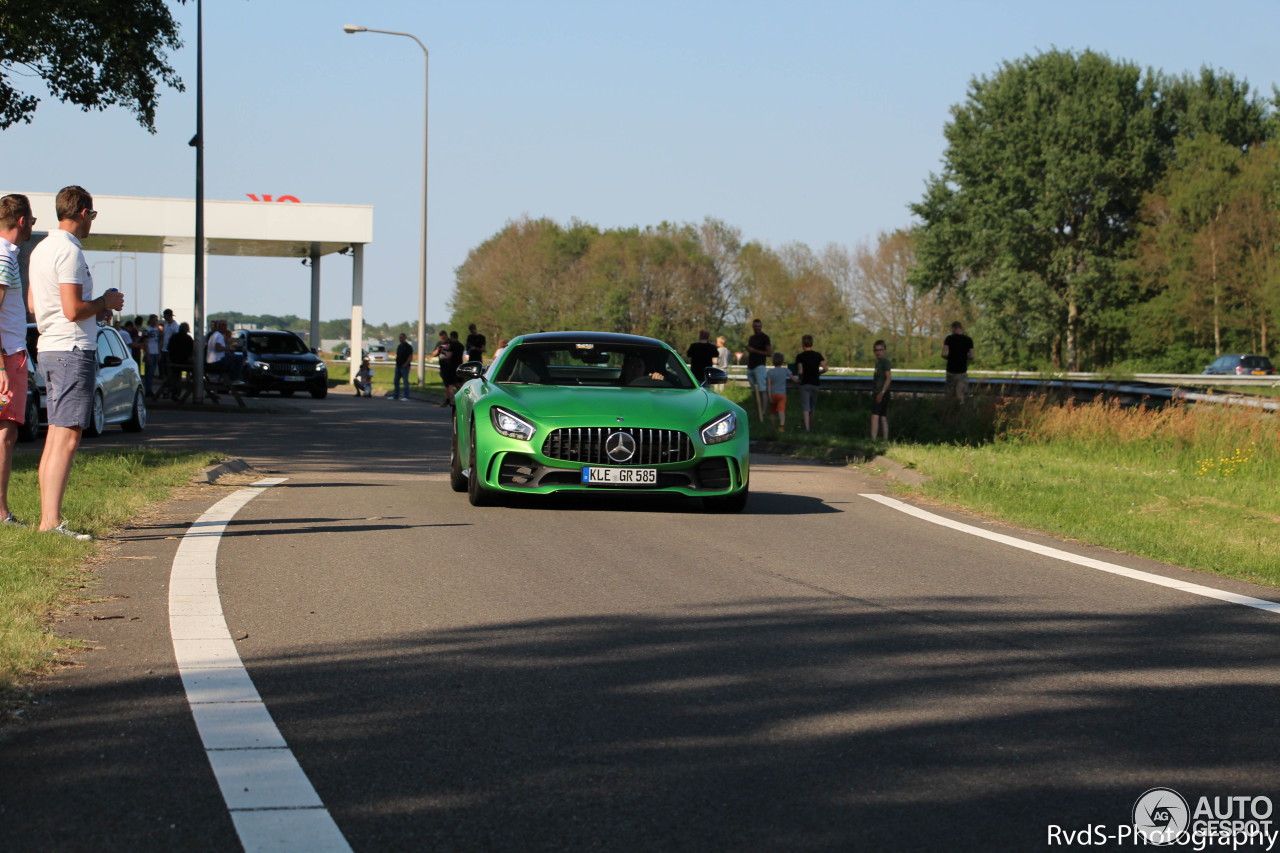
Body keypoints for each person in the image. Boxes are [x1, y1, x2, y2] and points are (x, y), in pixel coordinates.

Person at [28, 185, 126, 539]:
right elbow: (72, 310)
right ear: (83, 212)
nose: (91, 223)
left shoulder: (41, 249)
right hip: (71, 349)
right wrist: (104, 302)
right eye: (93, 216)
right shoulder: (69, 251)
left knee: (56, 434)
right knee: (67, 436)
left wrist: (91, 311)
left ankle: (47, 520)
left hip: (49, 346)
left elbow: (33, 304)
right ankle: (50, 522)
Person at [0, 194, 37, 527]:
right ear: (22, 221)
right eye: (32, 221)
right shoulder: (4, 256)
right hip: (8, 354)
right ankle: (0, 513)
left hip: (10, 352)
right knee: (5, 434)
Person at [794, 334, 827, 433]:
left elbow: (800, 371)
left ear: (803, 344)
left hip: (805, 383)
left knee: (805, 406)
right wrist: (818, 373)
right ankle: (811, 427)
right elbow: (825, 368)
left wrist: (800, 380)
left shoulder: (800, 357)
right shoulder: (818, 355)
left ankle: (807, 428)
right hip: (815, 383)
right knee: (812, 407)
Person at [941, 321, 975, 404]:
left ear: (953, 329)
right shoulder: (968, 340)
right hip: (962, 371)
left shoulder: (949, 339)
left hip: (951, 371)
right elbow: (972, 356)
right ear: (961, 328)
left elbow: (943, 354)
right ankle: (959, 412)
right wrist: (963, 357)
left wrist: (951, 357)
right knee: (960, 396)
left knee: (950, 394)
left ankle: (949, 412)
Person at [746, 318, 772, 420]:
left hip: (759, 366)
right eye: (755, 326)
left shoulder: (765, 337)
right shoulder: (751, 338)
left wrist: (754, 350)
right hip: (750, 366)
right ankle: (758, 410)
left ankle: (763, 411)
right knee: (754, 390)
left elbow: (769, 353)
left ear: (761, 327)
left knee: (762, 390)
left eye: (759, 326)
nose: (757, 328)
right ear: (753, 327)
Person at [164, 322, 194, 399]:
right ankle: (178, 392)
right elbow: (191, 351)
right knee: (196, 368)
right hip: (184, 361)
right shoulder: (188, 338)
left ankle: (171, 392)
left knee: (175, 376)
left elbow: (169, 348)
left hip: (173, 360)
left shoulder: (174, 337)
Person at [765, 350, 793, 431]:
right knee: (781, 411)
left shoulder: (770, 372)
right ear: (782, 361)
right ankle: (781, 426)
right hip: (782, 395)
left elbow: (768, 385)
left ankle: (772, 428)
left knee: (772, 412)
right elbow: (793, 378)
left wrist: (769, 396)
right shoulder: (785, 370)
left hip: (773, 395)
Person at [871, 339, 892, 440]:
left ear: (885, 350)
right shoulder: (878, 363)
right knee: (882, 416)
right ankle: (885, 439)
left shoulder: (885, 362)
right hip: (878, 392)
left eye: (880, 350)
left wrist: (882, 393)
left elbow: (888, 378)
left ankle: (873, 439)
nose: (878, 352)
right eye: (876, 350)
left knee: (875, 416)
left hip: (882, 392)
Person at [430, 330, 456, 406]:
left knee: (451, 384)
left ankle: (451, 400)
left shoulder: (450, 343)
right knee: (446, 384)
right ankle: (448, 399)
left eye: (444, 338)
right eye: (441, 338)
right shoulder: (439, 344)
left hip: (450, 366)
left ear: (446, 336)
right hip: (443, 366)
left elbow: (451, 354)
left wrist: (444, 351)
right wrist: (438, 350)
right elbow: (433, 354)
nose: (443, 340)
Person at [159, 308, 179, 393]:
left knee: (170, 371)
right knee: (165, 371)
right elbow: (163, 337)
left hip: (170, 351)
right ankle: (168, 388)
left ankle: (171, 389)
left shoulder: (175, 326)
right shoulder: (166, 326)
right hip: (164, 349)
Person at [142, 314, 161, 398]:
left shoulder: (157, 330)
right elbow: (145, 343)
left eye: (156, 320)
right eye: (154, 320)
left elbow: (159, 341)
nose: (156, 322)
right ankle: (148, 390)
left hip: (155, 352)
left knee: (152, 373)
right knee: (148, 373)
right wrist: (148, 354)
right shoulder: (147, 330)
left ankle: (150, 389)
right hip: (150, 353)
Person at [393, 332, 413, 401]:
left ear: (405, 338)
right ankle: (395, 395)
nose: (400, 339)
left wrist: (406, 364)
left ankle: (406, 396)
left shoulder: (408, 347)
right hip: (398, 366)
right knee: (396, 381)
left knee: (405, 382)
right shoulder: (399, 346)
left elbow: (410, 356)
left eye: (402, 338)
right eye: (400, 338)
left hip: (405, 367)